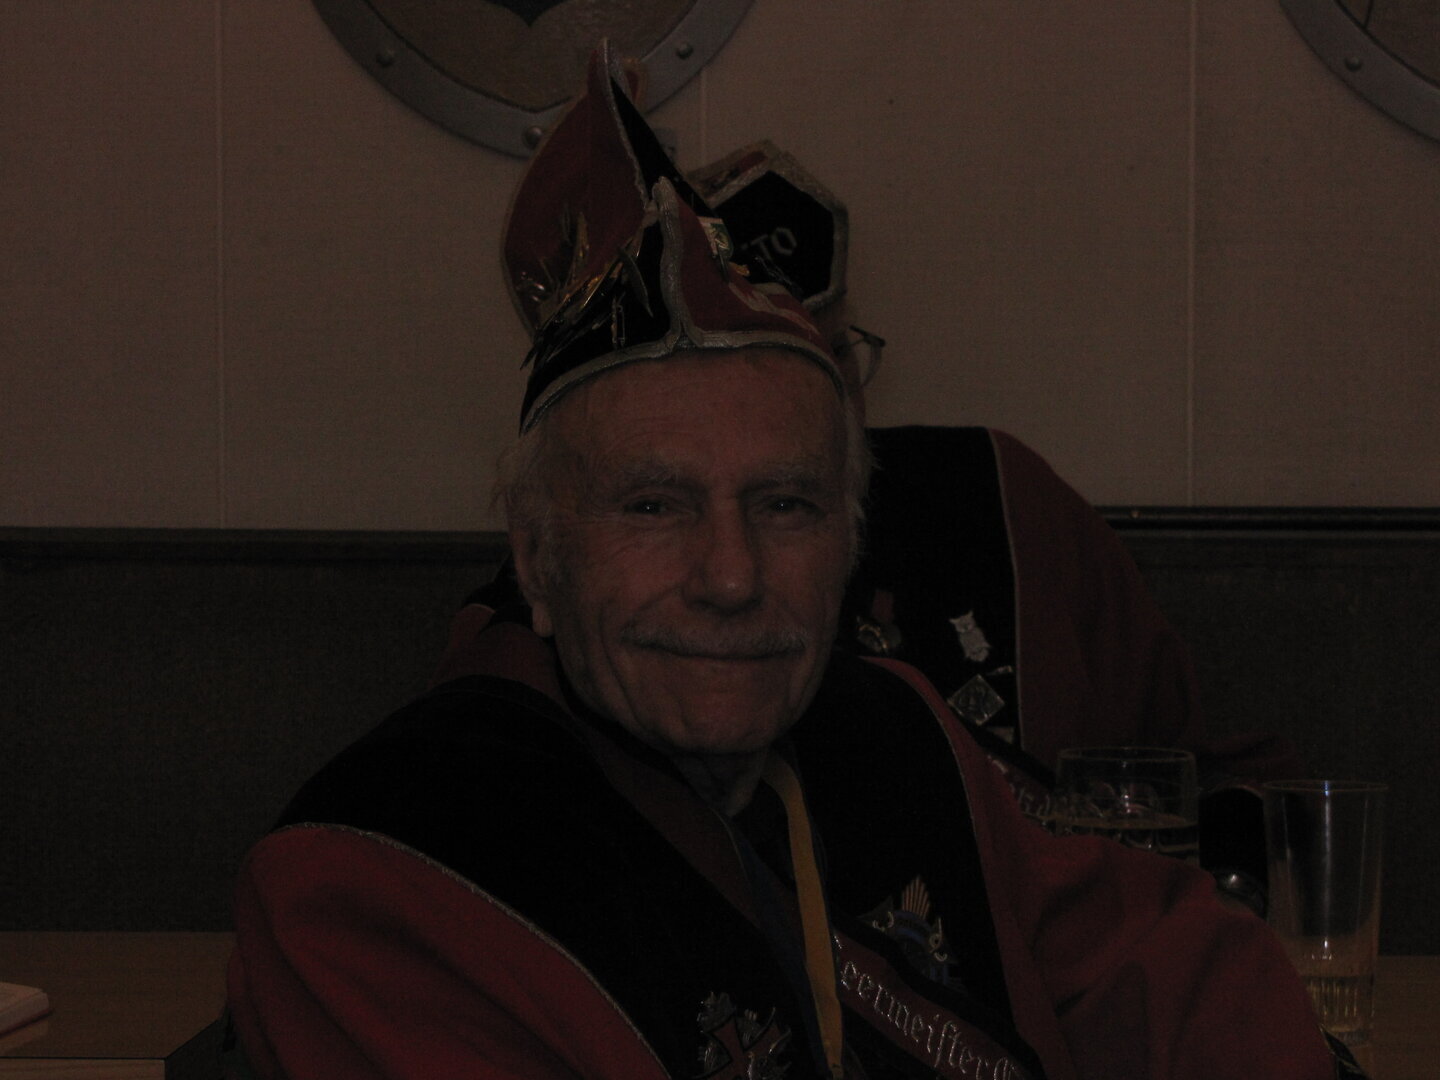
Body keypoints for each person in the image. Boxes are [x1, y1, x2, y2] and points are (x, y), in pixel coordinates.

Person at [227, 44, 1356, 1079]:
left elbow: (1180, 970)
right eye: (655, 506)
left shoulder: (896, 737)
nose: (731, 576)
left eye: (785, 505)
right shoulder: (381, 869)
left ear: (852, 538)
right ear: (537, 557)